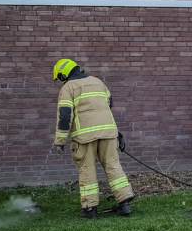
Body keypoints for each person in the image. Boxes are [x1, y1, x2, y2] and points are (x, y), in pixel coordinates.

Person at [53, 59, 135, 218]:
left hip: (84, 137)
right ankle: (125, 204)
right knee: (113, 166)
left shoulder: (68, 87)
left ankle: (90, 209)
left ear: (63, 74)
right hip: (108, 133)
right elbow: (108, 105)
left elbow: (64, 116)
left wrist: (60, 141)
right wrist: (117, 133)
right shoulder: (98, 82)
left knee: (87, 170)